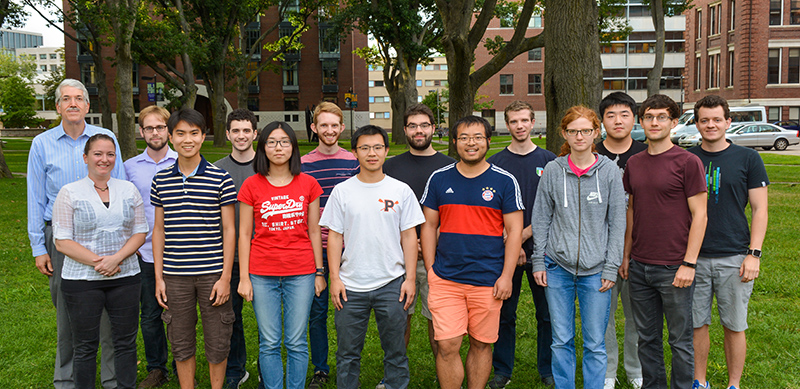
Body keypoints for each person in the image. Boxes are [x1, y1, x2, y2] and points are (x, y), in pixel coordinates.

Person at [27, 78, 124, 389]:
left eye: (78, 98)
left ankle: (111, 379)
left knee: (110, 312)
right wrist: (38, 247)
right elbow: (35, 197)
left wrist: (122, 241)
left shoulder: (106, 138)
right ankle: (66, 379)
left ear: (87, 105)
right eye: (65, 98)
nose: (72, 103)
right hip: (62, 238)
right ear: (57, 106)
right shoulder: (42, 144)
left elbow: (119, 188)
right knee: (67, 313)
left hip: (105, 234)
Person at [420, 116, 524, 389]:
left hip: (488, 279)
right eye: (464, 137)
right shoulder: (439, 178)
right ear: (454, 142)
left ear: (488, 141)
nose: (471, 143)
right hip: (446, 278)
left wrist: (506, 277)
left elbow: (515, 232)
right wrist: (431, 269)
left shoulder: (505, 181)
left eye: (478, 137)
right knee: (447, 344)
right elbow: (429, 225)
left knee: (481, 343)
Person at [319, 125, 424, 389]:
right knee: (347, 354)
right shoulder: (343, 191)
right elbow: (334, 237)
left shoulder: (400, 190)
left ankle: (395, 385)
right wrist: (334, 278)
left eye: (377, 147)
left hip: (392, 283)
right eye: (364, 148)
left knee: (396, 351)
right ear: (355, 152)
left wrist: (410, 278)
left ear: (386, 151)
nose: (371, 153)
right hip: (350, 285)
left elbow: (410, 237)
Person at [531, 106, 626, 389]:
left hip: (597, 270)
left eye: (586, 130)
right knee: (561, 339)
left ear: (596, 132)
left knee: (595, 341)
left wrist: (611, 266)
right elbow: (541, 217)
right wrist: (539, 261)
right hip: (556, 267)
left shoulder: (609, 171)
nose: (579, 136)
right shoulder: (552, 170)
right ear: (565, 134)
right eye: (573, 131)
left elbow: (617, 222)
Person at [623, 94, 707, 389]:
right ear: (641, 121)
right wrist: (627, 256)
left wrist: (689, 263)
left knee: (680, 340)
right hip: (640, 266)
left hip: (675, 267)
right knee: (647, 339)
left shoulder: (688, 162)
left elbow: (700, 216)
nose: (654, 122)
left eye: (661, 117)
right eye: (648, 117)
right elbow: (633, 209)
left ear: (673, 122)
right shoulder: (634, 163)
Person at [51, 133, 148, 389]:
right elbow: (62, 240)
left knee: (125, 342)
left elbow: (140, 231)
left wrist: (116, 258)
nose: (104, 159)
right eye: (98, 154)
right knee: (84, 345)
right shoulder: (69, 193)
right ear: (86, 158)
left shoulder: (127, 189)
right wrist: (99, 262)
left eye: (110, 154)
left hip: (126, 277)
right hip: (82, 281)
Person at [151, 108, 237, 389]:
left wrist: (225, 278)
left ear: (203, 136)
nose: (187, 139)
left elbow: (229, 229)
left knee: (218, 339)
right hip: (175, 276)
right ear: (171, 137)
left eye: (194, 133)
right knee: (180, 340)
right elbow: (159, 230)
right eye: (180, 133)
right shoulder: (160, 180)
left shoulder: (220, 178)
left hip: (213, 275)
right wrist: (159, 278)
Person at [688, 95, 769, 389]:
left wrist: (754, 254)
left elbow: (760, 210)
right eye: (704, 120)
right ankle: (699, 381)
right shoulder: (687, 158)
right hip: (692, 258)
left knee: (734, 324)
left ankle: (734, 384)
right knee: (697, 324)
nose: (711, 125)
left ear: (728, 122)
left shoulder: (749, 159)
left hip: (734, 256)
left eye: (717, 119)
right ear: (696, 124)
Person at [237, 121, 325, 389]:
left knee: (296, 340)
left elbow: (313, 231)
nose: (279, 147)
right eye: (272, 141)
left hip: (301, 272)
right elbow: (243, 234)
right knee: (269, 341)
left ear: (293, 147)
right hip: (262, 274)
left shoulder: (308, 183)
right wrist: (243, 278)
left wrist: (319, 273)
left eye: (285, 141)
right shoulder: (251, 185)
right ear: (263, 147)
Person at [485, 101, 555, 388]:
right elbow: (491, 209)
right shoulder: (496, 163)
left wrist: (525, 236)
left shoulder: (550, 161)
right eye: (514, 121)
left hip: (546, 250)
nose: (520, 126)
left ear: (533, 121)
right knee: (504, 314)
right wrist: (514, 243)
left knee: (547, 315)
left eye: (525, 120)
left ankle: (548, 369)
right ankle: (502, 370)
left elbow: (555, 208)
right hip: (505, 250)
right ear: (507, 124)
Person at [382, 103, 455, 370]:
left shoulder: (450, 167)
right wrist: (410, 243)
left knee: (439, 323)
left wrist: (430, 242)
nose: (419, 130)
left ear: (433, 128)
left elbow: (454, 212)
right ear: (404, 130)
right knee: (398, 322)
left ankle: (444, 374)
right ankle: (394, 376)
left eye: (424, 125)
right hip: (398, 257)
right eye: (412, 126)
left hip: (438, 257)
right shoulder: (390, 168)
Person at [300, 102, 359, 388]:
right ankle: (321, 369)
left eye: (334, 125)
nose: (329, 130)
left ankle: (349, 366)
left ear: (342, 127)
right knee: (317, 312)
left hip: (351, 248)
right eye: (323, 125)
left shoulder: (353, 161)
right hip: (316, 249)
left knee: (349, 313)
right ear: (314, 128)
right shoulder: (303, 164)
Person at [125, 105, 179, 389]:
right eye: (149, 128)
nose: (155, 132)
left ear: (168, 130)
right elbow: (124, 208)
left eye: (160, 127)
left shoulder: (183, 160)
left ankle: (182, 362)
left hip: (182, 251)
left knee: (182, 313)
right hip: (144, 253)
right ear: (141, 131)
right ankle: (157, 367)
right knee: (150, 314)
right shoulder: (130, 167)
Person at [596, 92, 646, 389]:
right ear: (602, 120)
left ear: (634, 119)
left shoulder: (646, 154)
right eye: (611, 115)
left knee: (636, 315)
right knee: (603, 318)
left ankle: (636, 369)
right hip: (599, 250)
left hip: (641, 248)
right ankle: (607, 373)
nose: (618, 121)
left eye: (624, 114)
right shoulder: (590, 154)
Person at [213, 108, 259, 389]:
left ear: (255, 134)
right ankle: (235, 369)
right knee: (230, 318)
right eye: (236, 131)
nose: (241, 136)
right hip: (228, 258)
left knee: (269, 321)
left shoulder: (268, 166)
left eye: (247, 131)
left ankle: (270, 371)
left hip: (264, 255)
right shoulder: (217, 169)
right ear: (228, 134)